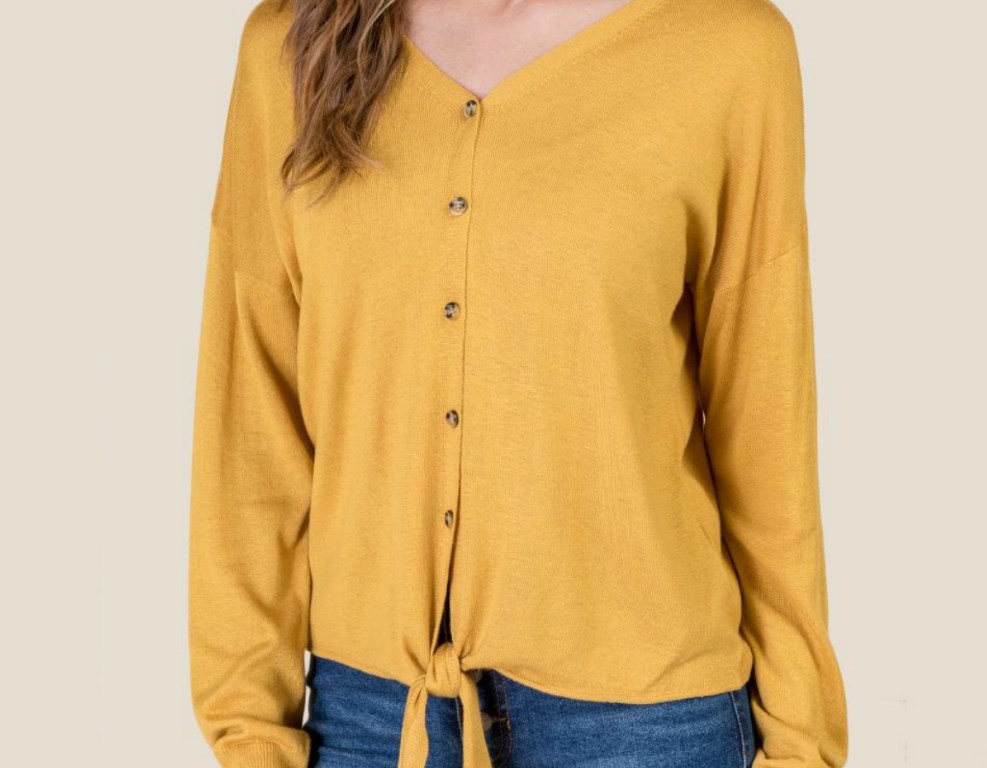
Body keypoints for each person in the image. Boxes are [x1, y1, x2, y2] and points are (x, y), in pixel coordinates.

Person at [187, 0, 849, 766]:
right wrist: (248, 733)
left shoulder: (727, 51)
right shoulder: (289, 49)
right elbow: (250, 430)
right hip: (370, 722)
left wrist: (802, 744)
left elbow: (767, 436)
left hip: (645, 730)